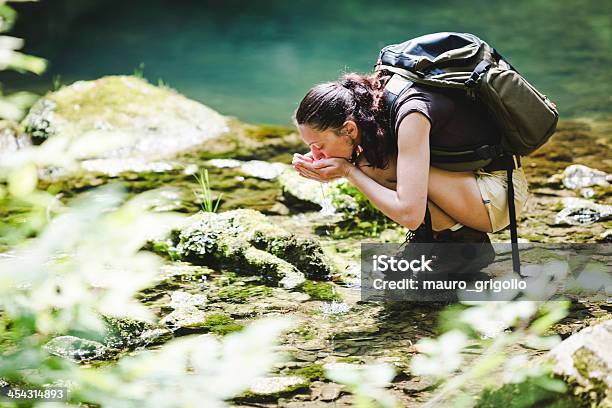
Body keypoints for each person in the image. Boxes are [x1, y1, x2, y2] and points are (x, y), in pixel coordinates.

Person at [291, 71, 530, 246]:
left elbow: (409, 213)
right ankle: (439, 239)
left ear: (349, 129)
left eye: (318, 146)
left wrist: (347, 172)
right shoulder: (373, 103)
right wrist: (339, 169)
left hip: (500, 196)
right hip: (473, 186)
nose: (316, 155)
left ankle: (462, 245)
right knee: (371, 163)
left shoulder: (411, 115)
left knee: (375, 166)